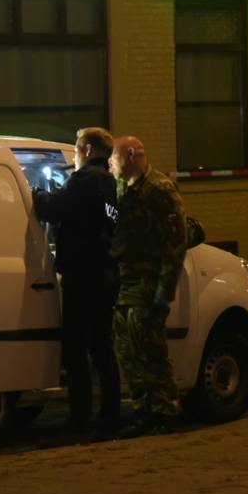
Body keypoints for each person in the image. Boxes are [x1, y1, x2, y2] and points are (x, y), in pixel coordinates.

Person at [31, 127, 122, 438]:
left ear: (87, 150)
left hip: (82, 274)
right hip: (105, 272)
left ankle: (79, 419)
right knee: (102, 348)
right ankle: (110, 415)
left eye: (76, 149)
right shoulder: (110, 183)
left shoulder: (84, 181)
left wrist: (36, 195)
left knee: (76, 349)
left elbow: (53, 209)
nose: (73, 154)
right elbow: (110, 218)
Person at [107, 135, 187, 439]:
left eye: (114, 158)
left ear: (129, 155)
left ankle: (165, 410)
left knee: (150, 349)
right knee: (130, 349)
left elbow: (174, 243)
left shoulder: (160, 189)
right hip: (126, 282)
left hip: (148, 281)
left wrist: (163, 291)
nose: (111, 164)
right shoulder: (122, 188)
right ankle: (144, 410)